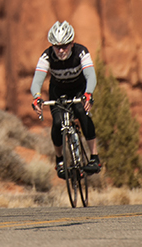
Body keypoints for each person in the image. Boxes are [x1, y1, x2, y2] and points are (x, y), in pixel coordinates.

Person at [29, 21, 101, 179]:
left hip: (79, 90)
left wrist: (88, 93)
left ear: (72, 43)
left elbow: (91, 76)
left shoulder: (81, 52)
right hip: (58, 92)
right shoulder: (47, 56)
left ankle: (94, 158)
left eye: (65, 46)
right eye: (56, 46)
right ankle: (60, 160)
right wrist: (37, 97)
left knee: (83, 113)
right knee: (56, 123)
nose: (61, 50)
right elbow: (36, 82)